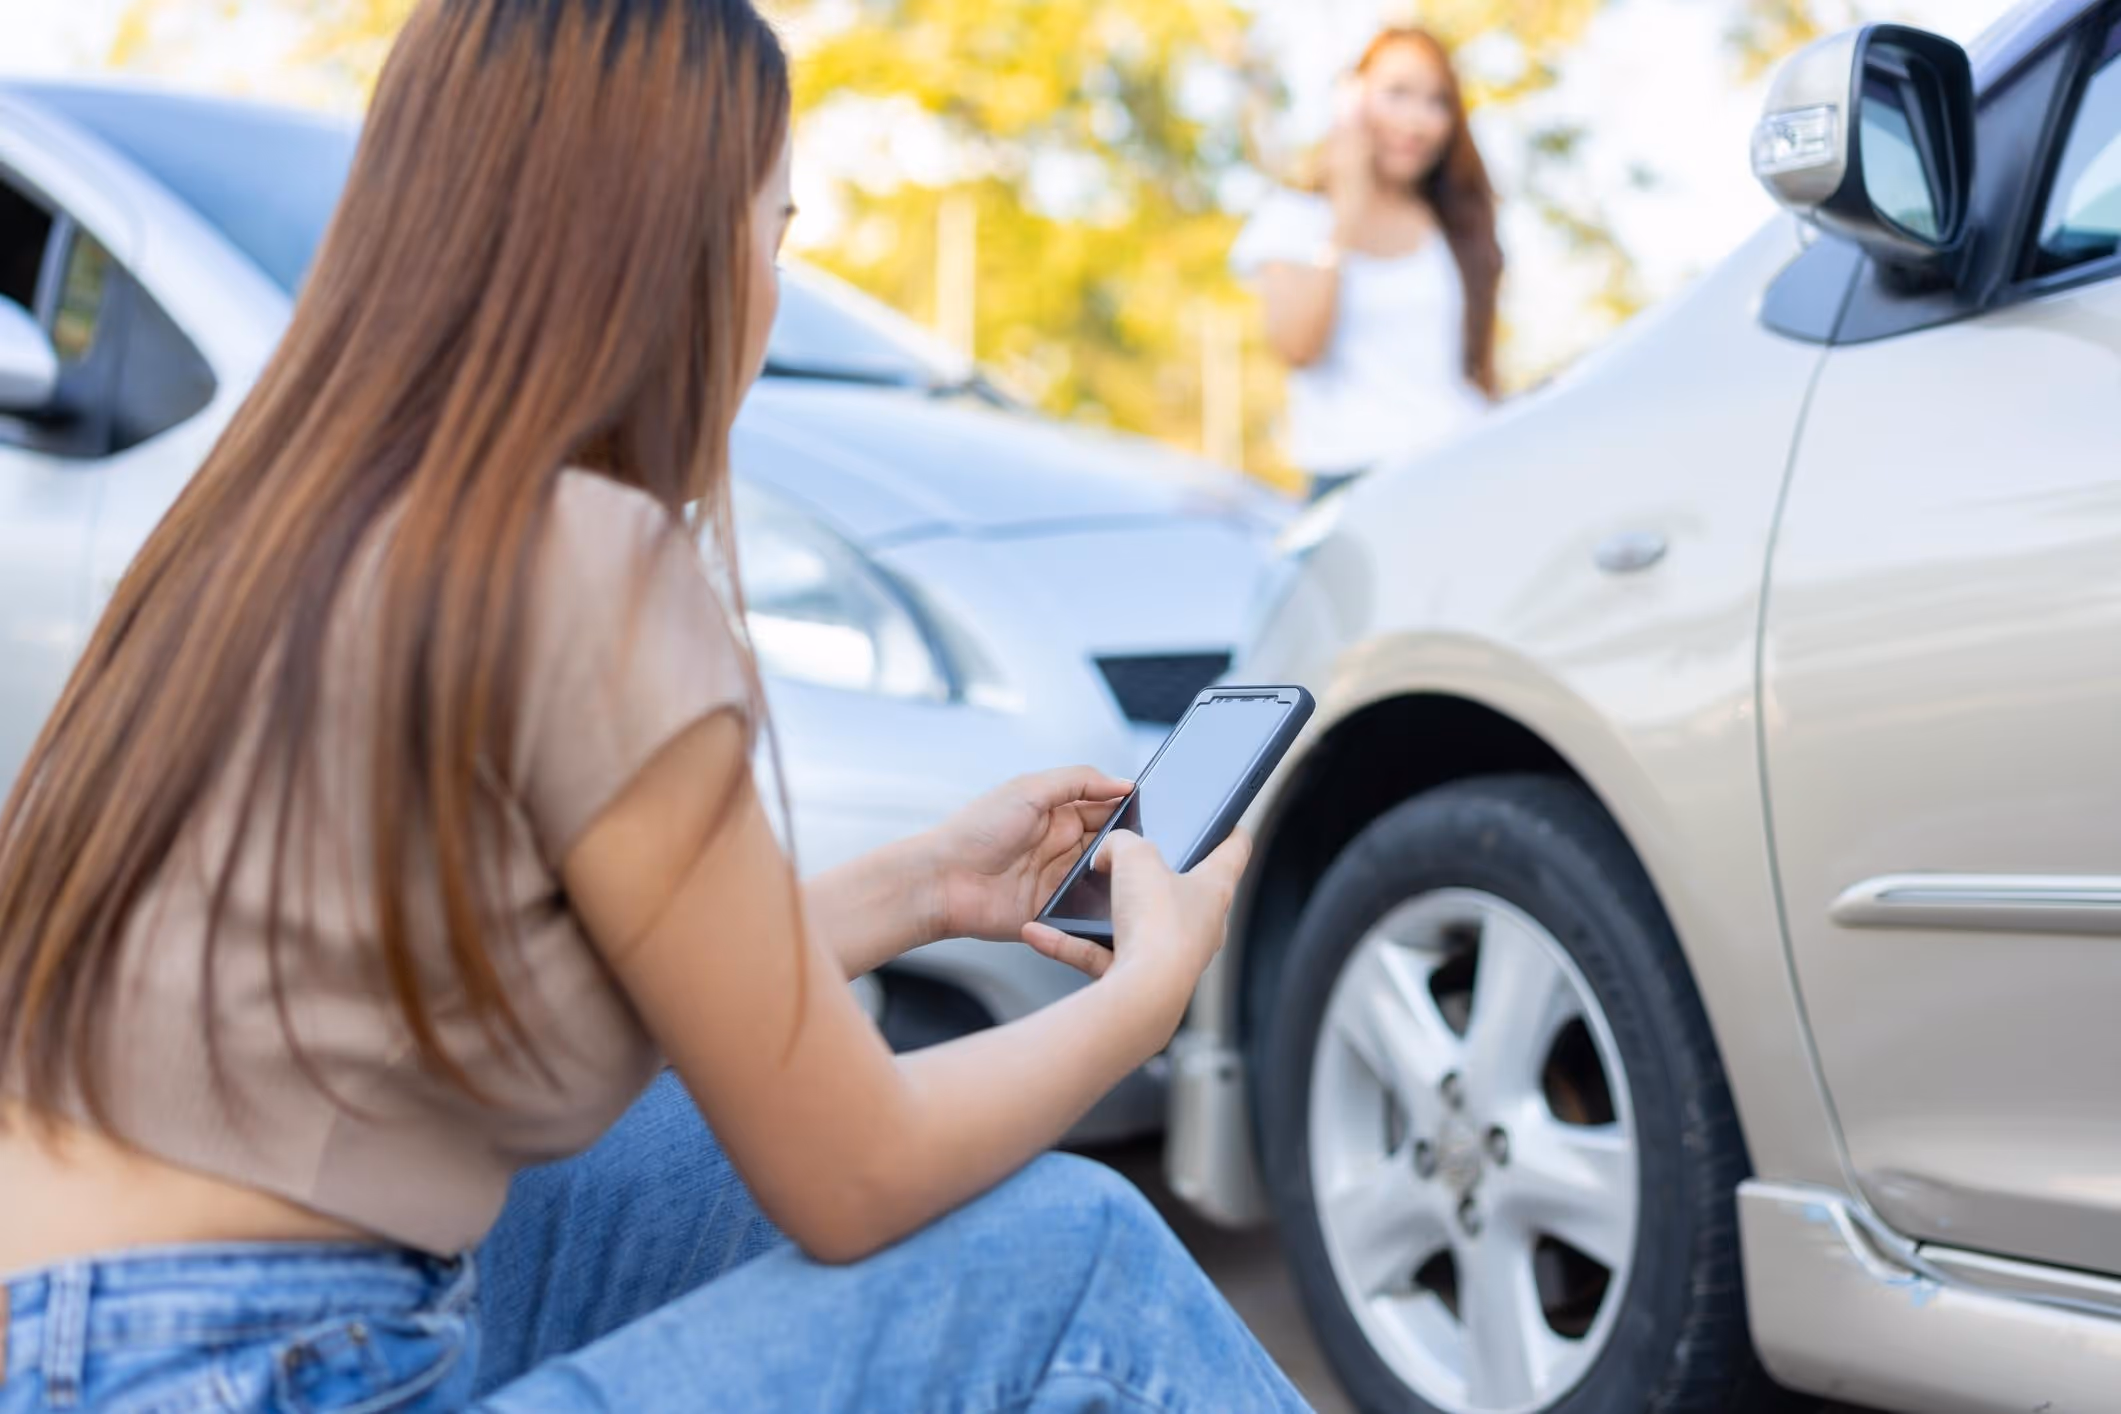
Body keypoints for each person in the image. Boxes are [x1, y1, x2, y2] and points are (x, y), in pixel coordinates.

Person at [0, 2, 1311, 1410]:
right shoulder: (576, 553)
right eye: (774, 231)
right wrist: (1146, 1000)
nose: (769, 287)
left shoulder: (264, 520)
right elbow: (850, 1174)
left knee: (702, 1112)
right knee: (1074, 1260)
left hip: (74, 1336)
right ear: (668, 246)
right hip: (254, 1367)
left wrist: (931, 882)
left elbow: (551, 993)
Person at [1233, 27, 1503, 501]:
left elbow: (1474, 373)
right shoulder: (1293, 218)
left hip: (1462, 470)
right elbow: (1298, 346)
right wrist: (1344, 218)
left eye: (1436, 102)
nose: (1417, 122)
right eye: (1397, 94)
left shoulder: (1451, 224)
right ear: (1352, 100)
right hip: (1354, 490)